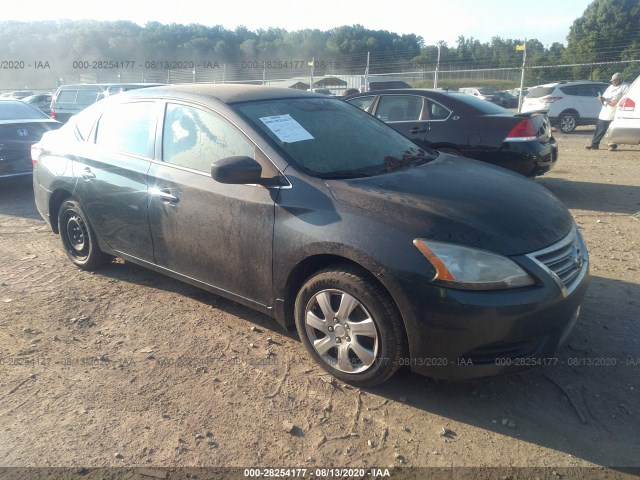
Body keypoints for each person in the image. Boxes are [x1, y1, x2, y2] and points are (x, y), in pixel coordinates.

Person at [586, 72, 628, 151]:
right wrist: (601, 98)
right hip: (605, 110)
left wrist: (616, 102)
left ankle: (612, 145)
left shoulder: (624, 87)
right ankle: (594, 144)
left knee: (610, 130)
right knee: (600, 128)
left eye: (615, 80)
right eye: (613, 80)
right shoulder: (610, 87)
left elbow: (625, 98)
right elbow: (605, 96)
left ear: (620, 79)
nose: (613, 82)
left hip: (615, 111)